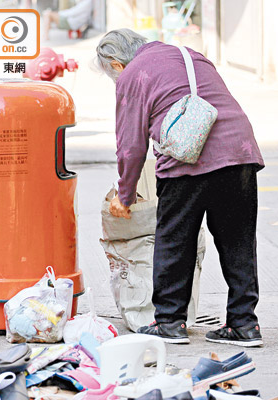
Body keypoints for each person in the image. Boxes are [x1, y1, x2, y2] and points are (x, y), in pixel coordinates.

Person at [96, 29, 264, 346]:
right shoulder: (190, 55)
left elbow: (130, 146)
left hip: (188, 158)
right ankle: (244, 325)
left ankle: (170, 323)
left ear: (116, 64)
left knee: (175, 241)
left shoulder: (133, 72)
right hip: (240, 150)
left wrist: (125, 193)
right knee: (238, 241)